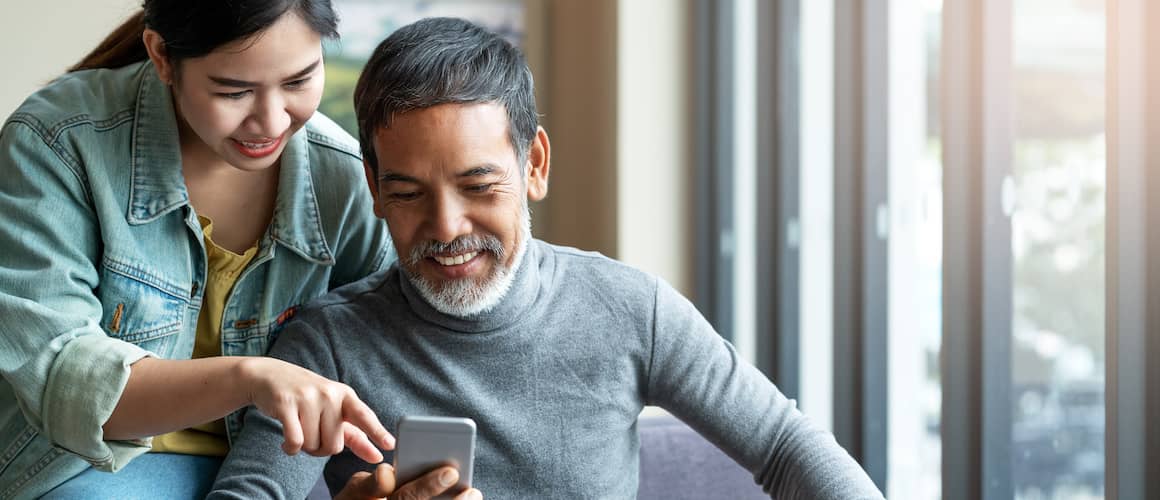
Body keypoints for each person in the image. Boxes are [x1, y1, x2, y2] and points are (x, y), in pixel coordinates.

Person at [208, 17, 885, 500]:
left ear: (534, 165)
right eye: (409, 193)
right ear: (374, 191)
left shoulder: (628, 309)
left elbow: (784, 446)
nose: (446, 228)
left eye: (478, 187)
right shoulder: (328, 345)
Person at [0, 2, 468, 498]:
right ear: (161, 55)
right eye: (234, 91)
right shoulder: (58, 144)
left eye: (298, 81)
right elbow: (62, 378)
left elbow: (399, 345)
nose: (270, 122)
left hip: (274, 465)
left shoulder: (344, 180)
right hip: (95, 465)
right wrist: (250, 378)